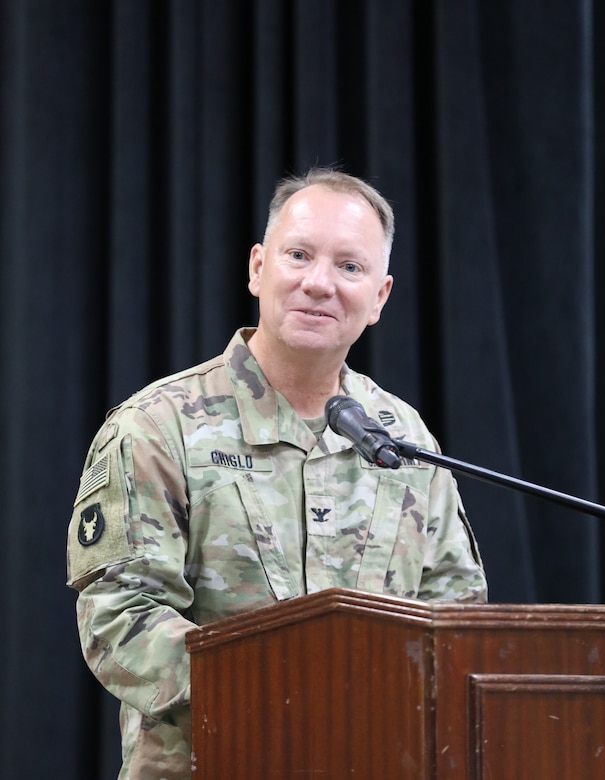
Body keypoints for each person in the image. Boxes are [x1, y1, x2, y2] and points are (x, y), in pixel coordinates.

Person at [67, 167, 487, 779]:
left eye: (350, 267)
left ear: (380, 297)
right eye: (299, 255)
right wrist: (279, 691)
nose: (320, 283)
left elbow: (458, 614)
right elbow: (120, 616)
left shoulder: (405, 438)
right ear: (258, 267)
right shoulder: (159, 426)